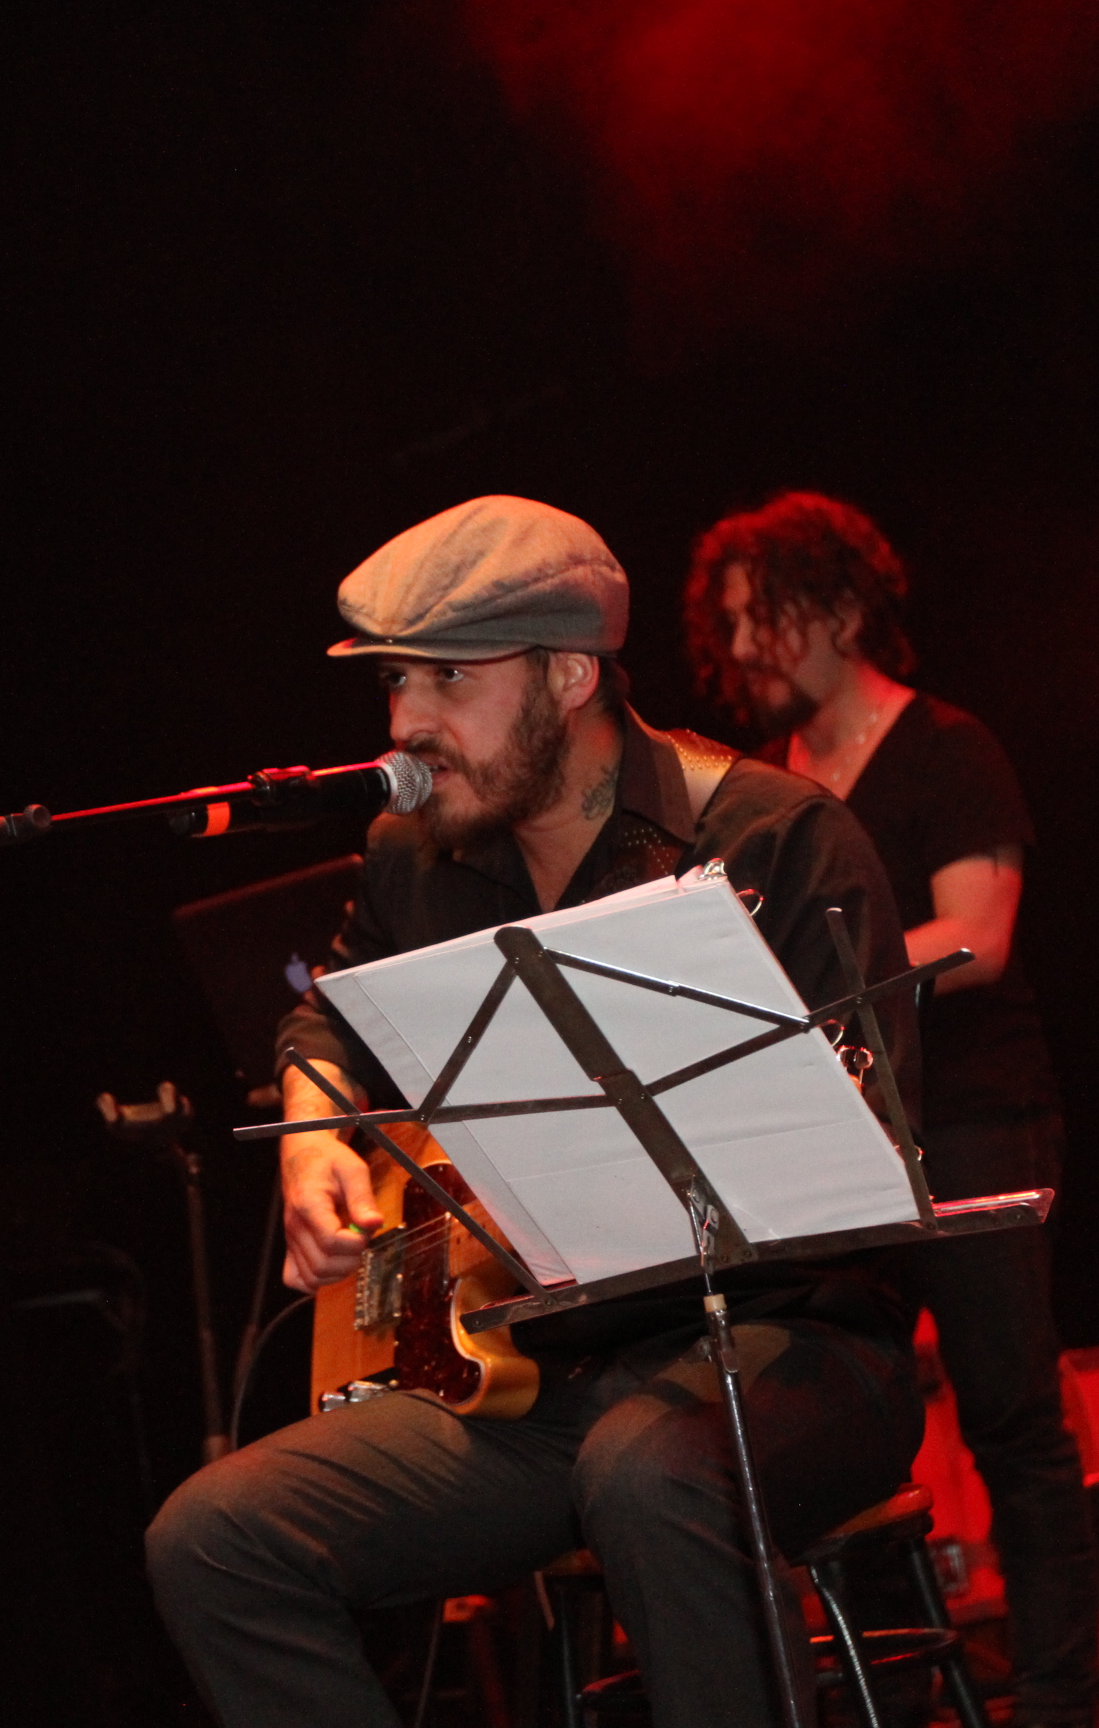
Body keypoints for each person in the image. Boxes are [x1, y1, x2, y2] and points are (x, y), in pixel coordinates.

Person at [147, 496, 928, 1728]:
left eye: (448, 679)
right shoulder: (415, 854)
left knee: (645, 1472)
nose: (406, 724)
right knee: (214, 1537)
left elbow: (865, 1172)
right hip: (550, 1381)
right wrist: (313, 1131)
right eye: (395, 682)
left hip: (796, 1351)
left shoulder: (776, 839)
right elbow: (325, 1014)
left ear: (571, 675)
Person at [682, 492, 1099, 1728]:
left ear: (841, 608)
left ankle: (1061, 1701)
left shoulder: (947, 748)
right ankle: (894, 1701)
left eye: (764, 618)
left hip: (971, 1116)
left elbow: (979, 936)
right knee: (850, 1428)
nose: (742, 650)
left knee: (1012, 1418)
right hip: (837, 1139)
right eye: (730, 625)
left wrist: (813, 981)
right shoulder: (762, 790)